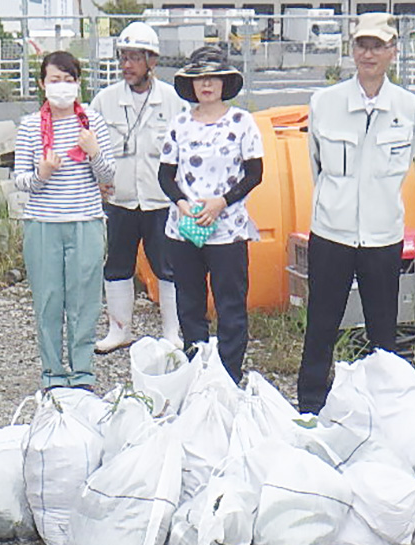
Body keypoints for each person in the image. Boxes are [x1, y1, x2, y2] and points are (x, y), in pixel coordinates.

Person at [296, 12, 415, 414]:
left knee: (383, 329)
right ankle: (311, 407)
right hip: (331, 233)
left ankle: (383, 408)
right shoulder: (325, 103)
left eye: (378, 45)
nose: (369, 54)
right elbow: (317, 166)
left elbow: (404, 165)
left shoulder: (409, 106)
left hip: (383, 235)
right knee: (321, 324)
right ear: (352, 50)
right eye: (362, 45)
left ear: (393, 51)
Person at [157, 45, 264, 385]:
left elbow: (254, 173)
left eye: (213, 79)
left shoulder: (242, 122)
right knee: (189, 301)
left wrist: (222, 201)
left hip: (227, 228)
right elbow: (165, 173)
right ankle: (196, 368)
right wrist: (182, 203)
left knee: (230, 302)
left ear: (224, 83)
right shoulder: (180, 124)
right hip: (184, 227)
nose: (206, 85)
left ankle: (229, 375)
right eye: (199, 79)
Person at [13, 51, 116, 390]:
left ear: (78, 84)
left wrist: (94, 151)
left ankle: (83, 371)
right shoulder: (30, 126)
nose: (61, 87)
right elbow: (21, 180)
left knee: (84, 300)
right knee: (48, 300)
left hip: (85, 220)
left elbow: (108, 174)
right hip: (43, 224)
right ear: (42, 84)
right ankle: (53, 373)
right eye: (54, 80)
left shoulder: (92, 122)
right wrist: (42, 174)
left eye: (68, 80)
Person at [90, 21, 188, 353]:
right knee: (117, 264)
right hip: (120, 199)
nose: (127, 65)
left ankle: (172, 332)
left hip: (161, 199)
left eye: (134, 58)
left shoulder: (173, 101)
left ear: (152, 61)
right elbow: (92, 148)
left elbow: (185, 151)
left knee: (167, 266)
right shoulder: (104, 101)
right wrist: (96, 181)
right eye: (123, 57)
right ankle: (119, 330)